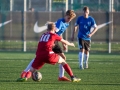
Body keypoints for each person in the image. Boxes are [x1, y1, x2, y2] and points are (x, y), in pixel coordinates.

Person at [20, 10, 76, 81]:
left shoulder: (66, 24)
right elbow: (55, 32)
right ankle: (61, 76)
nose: (69, 20)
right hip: (52, 41)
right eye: (68, 18)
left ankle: (26, 72)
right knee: (62, 59)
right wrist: (68, 43)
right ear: (65, 15)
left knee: (39, 57)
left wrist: (63, 44)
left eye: (71, 19)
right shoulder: (60, 22)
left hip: (53, 40)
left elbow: (60, 33)